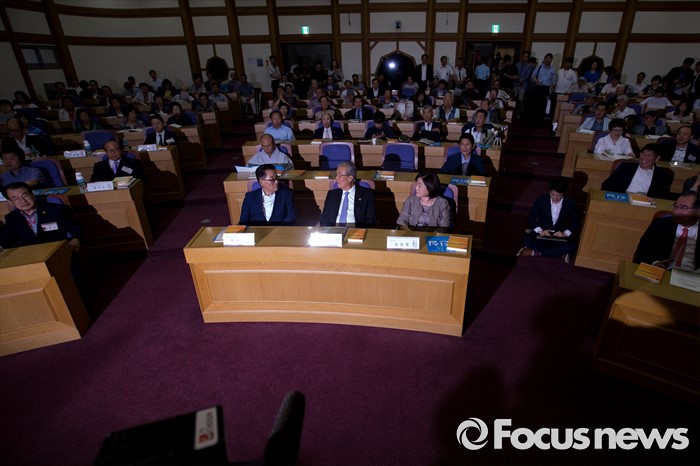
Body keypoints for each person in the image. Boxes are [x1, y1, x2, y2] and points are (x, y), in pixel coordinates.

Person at [0, 182, 82, 251]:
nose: (23, 201)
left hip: (57, 251)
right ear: (10, 202)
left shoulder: (56, 210)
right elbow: (6, 240)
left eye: (25, 195)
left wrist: (76, 239)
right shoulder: (12, 218)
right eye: (15, 198)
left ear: (32, 194)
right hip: (29, 254)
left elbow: (75, 228)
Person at [517, 177, 580, 262]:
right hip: (542, 234)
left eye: (558, 195)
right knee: (527, 241)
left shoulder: (570, 203)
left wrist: (565, 233)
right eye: (552, 194)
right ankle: (558, 253)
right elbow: (531, 217)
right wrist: (540, 230)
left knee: (572, 246)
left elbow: (576, 221)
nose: (555, 197)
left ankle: (534, 252)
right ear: (549, 191)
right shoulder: (541, 200)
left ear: (564, 193)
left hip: (559, 236)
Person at [634, 191, 699, 271]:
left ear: (698, 211)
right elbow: (641, 253)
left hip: (693, 275)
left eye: (683, 208)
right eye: (675, 206)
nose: (676, 212)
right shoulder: (660, 225)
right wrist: (655, 263)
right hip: (662, 272)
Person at [601, 143, 672, 199]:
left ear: (657, 158)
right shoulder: (626, 167)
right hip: (623, 199)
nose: (644, 157)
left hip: (645, 204)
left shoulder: (662, 175)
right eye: (643, 153)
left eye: (649, 155)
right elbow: (606, 185)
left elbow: (661, 196)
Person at [319, 161, 376, 227]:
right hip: (334, 230)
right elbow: (324, 218)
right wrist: (329, 230)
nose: (336, 178)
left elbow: (371, 220)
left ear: (350, 178)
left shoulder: (367, 195)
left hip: (356, 230)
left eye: (340, 175)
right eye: (336, 175)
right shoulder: (332, 195)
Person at [529, 53, 556, 118]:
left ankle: (541, 117)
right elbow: (532, 76)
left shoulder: (552, 69)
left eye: (550, 59)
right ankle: (534, 116)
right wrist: (536, 81)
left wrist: (552, 91)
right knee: (536, 102)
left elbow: (552, 81)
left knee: (544, 103)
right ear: (544, 59)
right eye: (547, 58)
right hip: (538, 87)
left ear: (551, 60)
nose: (548, 60)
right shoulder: (539, 67)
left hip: (546, 88)